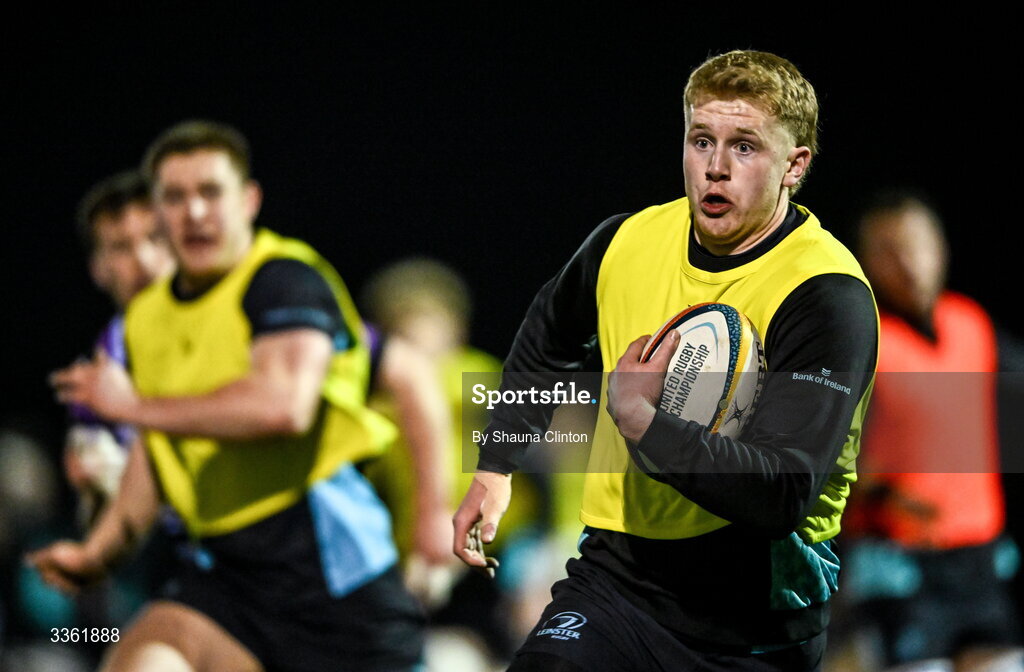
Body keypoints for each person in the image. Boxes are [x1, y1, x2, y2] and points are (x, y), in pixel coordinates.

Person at [452, 50, 878, 672]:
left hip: (753, 617)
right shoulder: (626, 242)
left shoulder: (827, 295)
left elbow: (781, 493)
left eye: (745, 147)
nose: (715, 168)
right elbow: (548, 336)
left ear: (796, 166)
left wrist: (642, 420)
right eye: (701, 140)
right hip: (617, 581)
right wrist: (497, 465)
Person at [33, 120, 426, 672]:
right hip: (223, 574)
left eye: (210, 193)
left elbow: (285, 407)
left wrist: (432, 519)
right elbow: (160, 448)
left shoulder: (285, 281)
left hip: (329, 572)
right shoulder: (142, 324)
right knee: (141, 659)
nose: (193, 213)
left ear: (248, 200)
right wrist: (100, 550)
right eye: (174, 197)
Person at [844, 193, 1023, 671]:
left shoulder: (972, 323)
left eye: (917, 246)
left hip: (980, 562)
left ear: (940, 247)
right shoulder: (865, 344)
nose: (908, 264)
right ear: (866, 260)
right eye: (890, 250)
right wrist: (880, 496)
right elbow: (826, 457)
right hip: (902, 569)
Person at [66, 171, 174, 527]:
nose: (143, 260)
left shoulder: (244, 309)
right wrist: (94, 487)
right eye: (121, 247)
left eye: (155, 238)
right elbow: (99, 520)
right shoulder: (100, 368)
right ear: (98, 268)